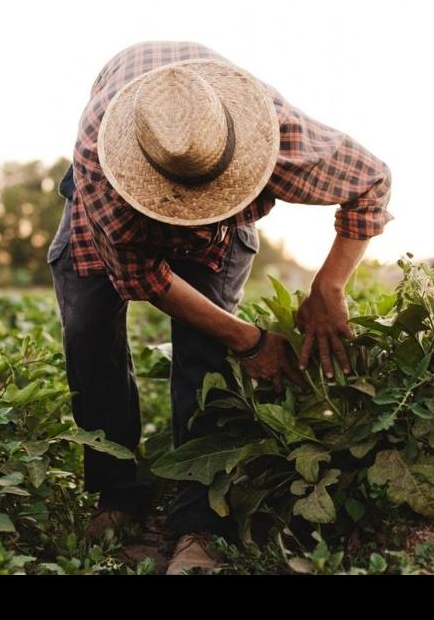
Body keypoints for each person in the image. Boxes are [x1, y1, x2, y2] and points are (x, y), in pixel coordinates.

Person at [46, 42, 392, 573]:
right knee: (89, 338)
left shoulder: (275, 134)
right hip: (112, 207)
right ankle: (118, 495)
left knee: (206, 357)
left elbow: (371, 182)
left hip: (224, 206)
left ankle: (199, 525)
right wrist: (249, 340)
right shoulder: (103, 160)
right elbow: (144, 278)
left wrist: (329, 287)